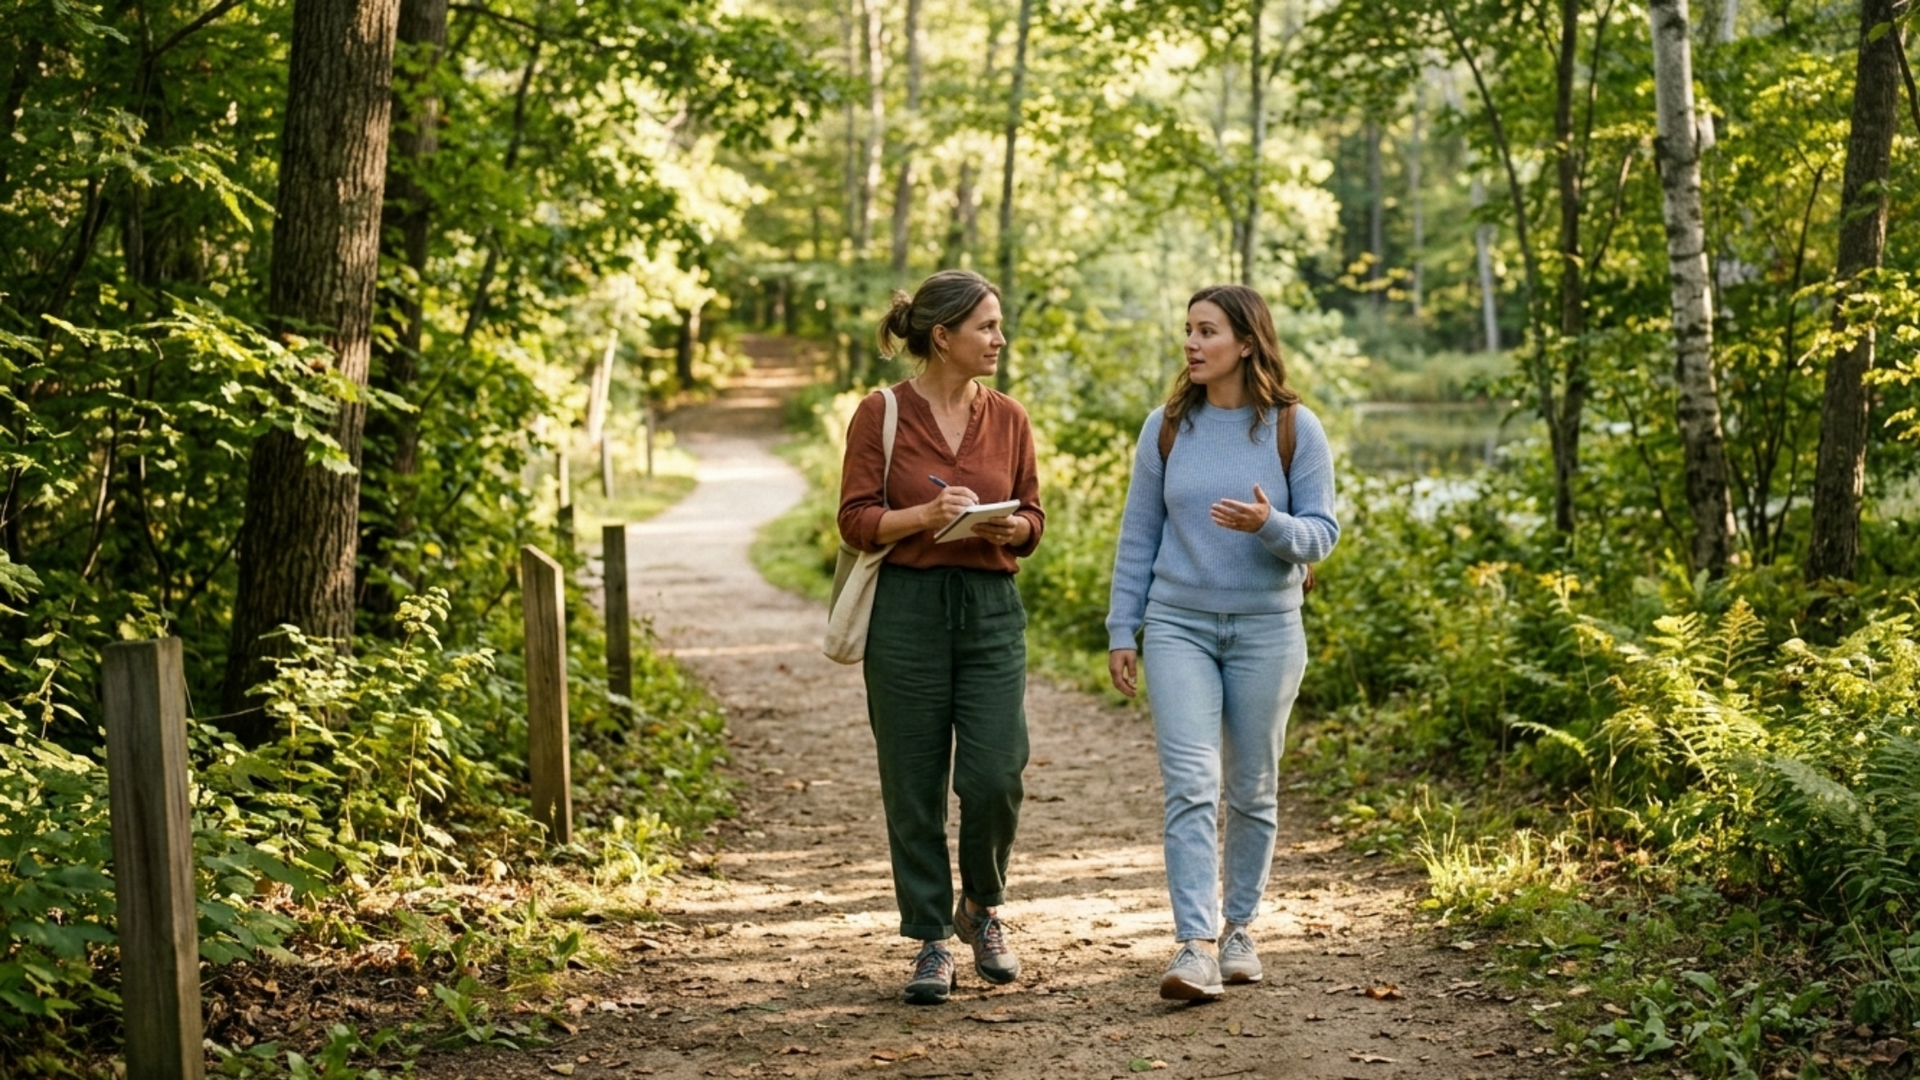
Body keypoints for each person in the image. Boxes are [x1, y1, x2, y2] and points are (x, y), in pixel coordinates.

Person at [1104, 284, 1339, 1001]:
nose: (1192, 344)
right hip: (1179, 623)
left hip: (1268, 628)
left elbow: (1321, 536)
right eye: (1187, 330)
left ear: (1245, 341)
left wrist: (1270, 527)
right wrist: (1124, 627)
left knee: (1252, 788)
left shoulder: (1295, 427)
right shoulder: (1168, 427)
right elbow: (1138, 533)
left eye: (1207, 331)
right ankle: (1194, 945)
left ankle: (1240, 928)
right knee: (1191, 785)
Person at [837, 269, 1045, 1005]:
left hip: (991, 610)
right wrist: (923, 519)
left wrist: (1011, 525)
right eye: (986, 326)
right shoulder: (881, 412)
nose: (998, 338)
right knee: (914, 784)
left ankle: (981, 907)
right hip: (908, 612)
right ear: (943, 336)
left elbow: (1034, 521)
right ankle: (930, 939)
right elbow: (856, 518)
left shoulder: (1011, 417)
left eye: (998, 325)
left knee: (996, 774)